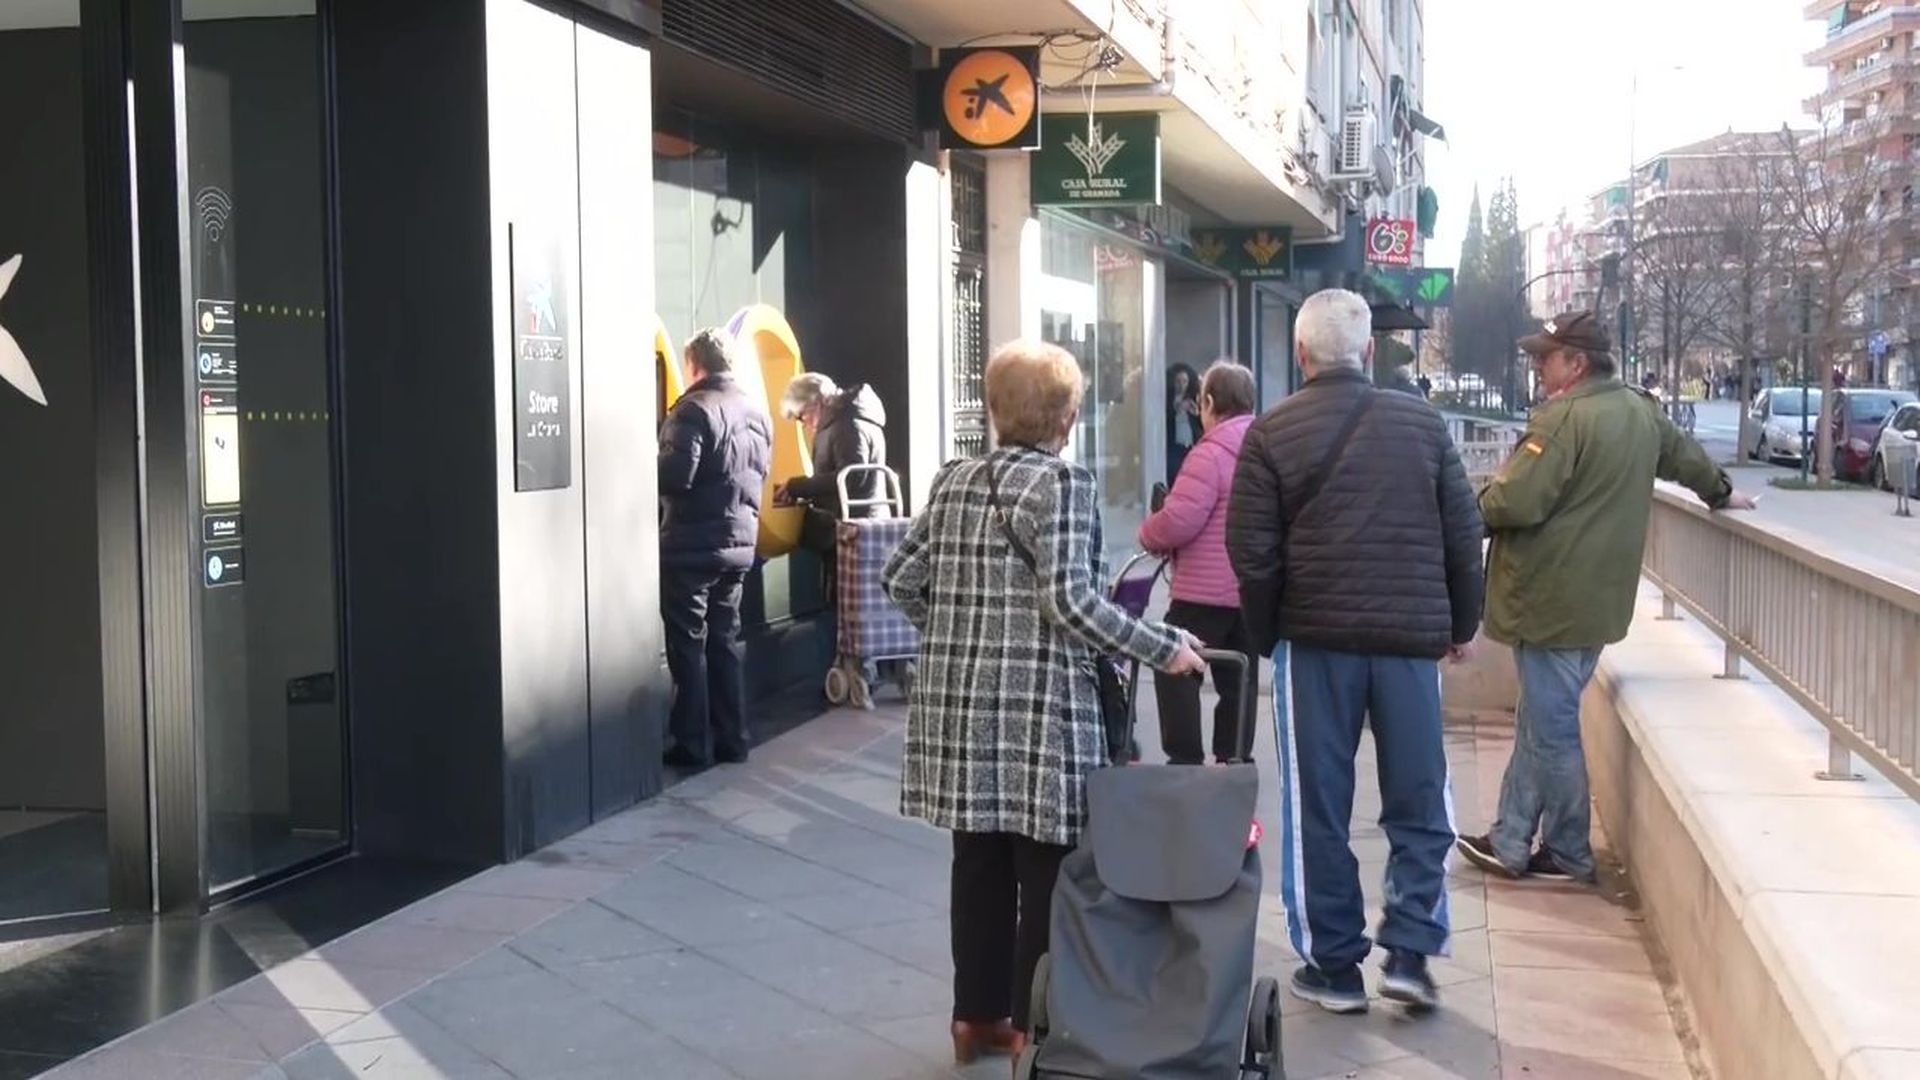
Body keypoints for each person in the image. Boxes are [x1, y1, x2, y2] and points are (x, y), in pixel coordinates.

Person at [882, 339, 1206, 1066]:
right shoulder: (1064, 485)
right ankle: (1037, 1030)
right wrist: (1162, 647)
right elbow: (1070, 602)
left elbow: (900, 578)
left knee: (978, 863)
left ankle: (976, 1019)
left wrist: (959, 635)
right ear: (1067, 417)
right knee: (1047, 871)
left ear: (996, 411)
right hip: (1041, 709)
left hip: (959, 706)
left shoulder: (954, 479)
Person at [1226, 288, 1485, 1016]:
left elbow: (1251, 552)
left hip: (1316, 646)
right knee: (1420, 798)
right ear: (1370, 352)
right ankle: (1409, 951)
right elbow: (1464, 536)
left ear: (1300, 354)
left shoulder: (1271, 432)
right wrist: (1461, 624)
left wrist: (1270, 632)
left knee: (1317, 807)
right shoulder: (1424, 424)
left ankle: (1335, 966)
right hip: (1408, 647)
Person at [1455, 311, 1756, 886]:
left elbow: (1516, 502)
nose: (1537, 366)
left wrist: (1478, 503)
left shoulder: (1563, 420)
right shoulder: (1640, 412)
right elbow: (1685, 457)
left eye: (1546, 357)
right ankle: (1511, 838)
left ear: (1577, 363)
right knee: (1540, 721)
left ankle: (1567, 849)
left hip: (1549, 598)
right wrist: (1721, 493)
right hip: (1598, 599)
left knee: (1551, 730)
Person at [657, 328, 772, 770]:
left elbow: (675, 476)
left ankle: (691, 744)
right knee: (724, 641)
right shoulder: (756, 412)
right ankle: (733, 739)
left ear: (693, 364)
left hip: (691, 546)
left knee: (688, 645)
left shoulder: (692, 409)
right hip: (739, 545)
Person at [1139, 360, 1257, 765]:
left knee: (1174, 664)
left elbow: (1179, 520)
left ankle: (1186, 759)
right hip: (1250, 590)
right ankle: (1234, 759)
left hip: (1202, 594)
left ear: (1208, 402)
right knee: (1239, 679)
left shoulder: (1209, 454)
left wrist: (1148, 533)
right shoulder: (1266, 448)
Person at [774, 373, 888, 557]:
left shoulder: (847, 424)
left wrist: (797, 487)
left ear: (816, 402)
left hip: (852, 530)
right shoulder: (848, 419)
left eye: (801, 416)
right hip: (861, 525)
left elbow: (851, 477)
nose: (803, 424)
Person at [1167, 363, 1202, 480]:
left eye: (1184, 381)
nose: (1181, 385)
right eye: (1178, 381)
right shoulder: (1168, 400)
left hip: (1190, 446)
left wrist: (1196, 414)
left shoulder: (1191, 401)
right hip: (1173, 447)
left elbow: (1199, 425)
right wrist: (1177, 409)